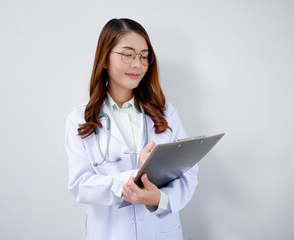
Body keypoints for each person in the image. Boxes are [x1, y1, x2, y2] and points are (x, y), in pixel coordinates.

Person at [65, 18, 198, 240]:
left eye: (144, 56)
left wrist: (159, 199)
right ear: (105, 59)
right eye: (128, 54)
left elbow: (188, 173)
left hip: (159, 231)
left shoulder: (165, 113)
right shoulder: (80, 119)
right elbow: (80, 185)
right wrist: (133, 178)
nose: (137, 64)